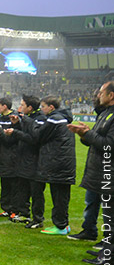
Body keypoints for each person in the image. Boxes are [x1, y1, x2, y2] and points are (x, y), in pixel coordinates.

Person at [68, 82, 114, 261]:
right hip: (100, 170)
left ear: (111, 95)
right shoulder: (105, 114)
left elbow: (109, 145)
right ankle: (106, 249)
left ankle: (108, 255)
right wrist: (83, 134)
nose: (98, 95)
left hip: (108, 171)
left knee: (110, 215)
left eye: (101, 92)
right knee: (107, 214)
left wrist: (88, 133)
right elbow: (95, 139)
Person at [31, 96, 76, 235]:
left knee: (59, 196)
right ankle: (62, 224)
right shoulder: (63, 118)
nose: (41, 109)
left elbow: (38, 136)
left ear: (51, 107)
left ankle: (61, 226)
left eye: (43, 106)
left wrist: (31, 123)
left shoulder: (54, 119)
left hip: (58, 163)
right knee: (61, 195)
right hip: (64, 163)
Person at [5, 95, 47, 227]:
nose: (20, 107)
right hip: (24, 158)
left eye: (23, 105)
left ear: (30, 107)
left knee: (36, 191)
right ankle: (24, 214)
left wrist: (16, 131)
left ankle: (38, 219)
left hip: (36, 160)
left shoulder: (40, 119)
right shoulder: (27, 118)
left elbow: (35, 139)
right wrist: (16, 124)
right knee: (22, 187)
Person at [0, 97, 21, 219]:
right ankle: (6, 208)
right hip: (1, 155)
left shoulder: (14, 119)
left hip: (12, 155)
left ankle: (15, 210)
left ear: (5, 106)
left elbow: (9, 140)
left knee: (14, 184)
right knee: (5, 183)